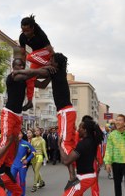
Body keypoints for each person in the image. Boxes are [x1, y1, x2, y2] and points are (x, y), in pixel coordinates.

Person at [13, 52, 78, 188]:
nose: (48, 62)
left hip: (66, 112)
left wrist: (20, 71)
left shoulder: (55, 71)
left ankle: (75, 170)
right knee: (66, 144)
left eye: (51, 60)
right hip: (63, 113)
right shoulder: (55, 73)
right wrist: (28, 78)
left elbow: (34, 72)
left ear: (57, 64)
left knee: (64, 144)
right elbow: (42, 85)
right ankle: (72, 176)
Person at [19, 15, 55, 111]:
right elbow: (22, 54)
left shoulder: (41, 34)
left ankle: (47, 66)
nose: (25, 33)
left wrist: (52, 63)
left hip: (46, 53)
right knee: (29, 77)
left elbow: (51, 51)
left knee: (30, 56)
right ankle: (30, 102)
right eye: (23, 31)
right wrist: (22, 70)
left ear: (32, 28)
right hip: (37, 57)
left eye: (28, 31)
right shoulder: (22, 37)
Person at [7, 131, 35, 196]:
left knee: (22, 181)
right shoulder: (11, 143)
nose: (18, 135)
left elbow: (34, 152)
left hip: (22, 166)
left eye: (20, 134)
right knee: (11, 181)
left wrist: (27, 160)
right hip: (13, 165)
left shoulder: (26, 143)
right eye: (17, 134)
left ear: (22, 135)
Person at [30, 127, 48, 192]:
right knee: (35, 171)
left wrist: (46, 157)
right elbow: (31, 148)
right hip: (33, 156)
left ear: (40, 132)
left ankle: (35, 185)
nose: (36, 132)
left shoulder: (42, 140)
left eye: (38, 131)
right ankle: (41, 182)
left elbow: (44, 149)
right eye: (35, 131)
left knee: (36, 170)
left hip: (40, 156)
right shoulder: (33, 139)